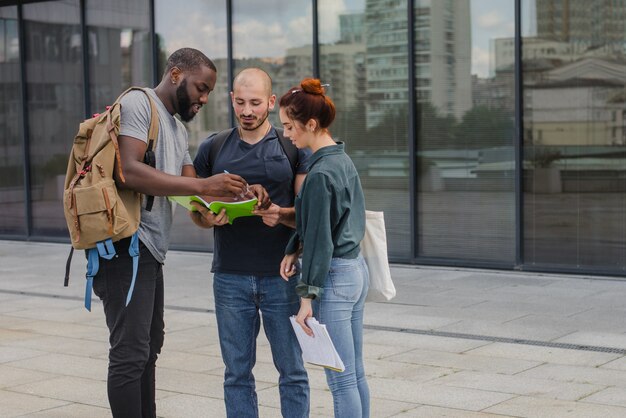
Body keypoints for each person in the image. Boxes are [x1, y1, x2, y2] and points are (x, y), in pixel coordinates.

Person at [92, 48, 259, 418]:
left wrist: (224, 203)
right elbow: (129, 172)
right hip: (123, 246)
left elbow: (189, 190)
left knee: (149, 346)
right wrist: (203, 188)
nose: (203, 98)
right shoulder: (139, 103)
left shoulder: (178, 129)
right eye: (201, 88)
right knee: (130, 351)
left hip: (149, 250)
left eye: (209, 93)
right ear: (176, 74)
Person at [191, 67, 311, 418]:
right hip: (229, 276)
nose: (247, 111)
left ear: (271, 103)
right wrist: (208, 217)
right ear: (231, 100)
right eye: (240, 102)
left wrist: (278, 212)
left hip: (282, 275)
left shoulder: (291, 145)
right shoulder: (213, 147)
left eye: (255, 103)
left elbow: (305, 213)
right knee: (236, 374)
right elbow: (195, 210)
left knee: (292, 372)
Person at [279, 78, 370, 418]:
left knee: (340, 379)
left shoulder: (318, 174)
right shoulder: (342, 160)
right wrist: (293, 247)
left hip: (333, 276)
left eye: (290, 126)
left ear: (311, 124)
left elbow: (320, 238)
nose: (288, 134)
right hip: (355, 270)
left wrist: (306, 298)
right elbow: (320, 223)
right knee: (354, 371)